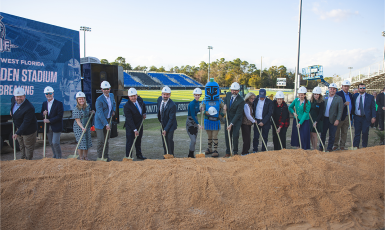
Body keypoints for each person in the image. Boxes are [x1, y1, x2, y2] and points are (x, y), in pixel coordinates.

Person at [10, 87, 38, 160]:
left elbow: (26, 122)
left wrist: (17, 133)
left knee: (28, 147)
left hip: (28, 130)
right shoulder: (13, 99)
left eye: (21, 97)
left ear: (24, 96)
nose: (19, 98)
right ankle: (22, 160)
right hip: (19, 127)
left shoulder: (29, 107)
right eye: (17, 96)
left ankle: (28, 162)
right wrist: (12, 112)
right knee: (21, 146)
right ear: (15, 96)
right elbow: (12, 105)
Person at [201, 78, 224, 158]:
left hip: (215, 121)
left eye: (213, 90)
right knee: (209, 136)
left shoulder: (219, 101)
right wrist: (204, 112)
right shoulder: (205, 101)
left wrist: (221, 114)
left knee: (215, 136)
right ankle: (209, 148)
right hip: (208, 121)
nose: (211, 92)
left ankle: (215, 149)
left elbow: (224, 109)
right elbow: (201, 109)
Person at [95, 81, 116, 162]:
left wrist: (113, 111)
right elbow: (100, 114)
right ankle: (100, 157)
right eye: (104, 89)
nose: (106, 90)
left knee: (106, 139)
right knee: (101, 140)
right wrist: (106, 124)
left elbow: (113, 103)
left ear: (110, 89)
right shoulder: (99, 100)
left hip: (108, 119)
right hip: (100, 122)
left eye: (108, 89)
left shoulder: (111, 95)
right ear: (102, 90)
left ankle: (106, 157)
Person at [124, 88, 147, 160]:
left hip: (139, 124)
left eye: (134, 96)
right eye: (131, 96)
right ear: (129, 97)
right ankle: (128, 156)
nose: (133, 97)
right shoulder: (127, 106)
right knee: (130, 142)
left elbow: (143, 106)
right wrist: (134, 130)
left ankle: (139, 155)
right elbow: (129, 119)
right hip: (131, 127)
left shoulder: (140, 100)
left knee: (138, 140)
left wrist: (144, 113)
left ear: (137, 95)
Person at [319, 83, 343, 152]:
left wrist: (337, 119)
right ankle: (321, 147)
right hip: (324, 119)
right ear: (328, 89)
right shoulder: (324, 97)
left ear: (336, 90)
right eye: (331, 89)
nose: (332, 90)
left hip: (333, 120)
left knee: (332, 135)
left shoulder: (339, 99)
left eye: (334, 89)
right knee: (323, 134)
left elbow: (340, 111)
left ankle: (329, 148)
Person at [41, 86, 64, 159]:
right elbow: (41, 114)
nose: (48, 95)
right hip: (48, 127)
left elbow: (60, 116)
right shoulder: (44, 104)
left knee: (55, 143)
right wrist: (43, 114)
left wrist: (50, 120)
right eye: (47, 94)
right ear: (45, 94)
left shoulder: (59, 103)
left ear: (53, 94)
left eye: (50, 93)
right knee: (51, 143)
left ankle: (59, 157)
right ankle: (55, 155)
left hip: (56, 126)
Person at [223, 82, 245, 157]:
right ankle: (228, 151)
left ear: (238, 91)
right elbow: (225, 99)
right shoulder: (228, 94)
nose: (233, 92)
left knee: (235, 136)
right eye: (232, 90)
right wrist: (225, 104)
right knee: (227, 135)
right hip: (228, 118)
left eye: (235, 90)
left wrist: (231, 124)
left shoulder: (241, 101)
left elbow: (238, 114)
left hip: (236, 121)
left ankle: (235, 152)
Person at [352, 83, 376, 148]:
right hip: (357, 117)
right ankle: (356, 146)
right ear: (358, 89)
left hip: (366, 118)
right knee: (357, 133)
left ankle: (364, 146)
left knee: (365, 133)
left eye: (364, 88)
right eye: (361, 88)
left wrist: (373, 117)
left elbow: (373, 107)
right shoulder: (355, 96)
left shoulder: (370, 97)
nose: (362, 89)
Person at [72, 92, 93, 160]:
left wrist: (91, 112)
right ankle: (81, 157)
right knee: (81, 142)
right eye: (80, 99)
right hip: (79, 127)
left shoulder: (87, 107)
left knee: (86, 141)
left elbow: (88, 112)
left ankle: (85, 156)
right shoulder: (76, 109)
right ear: (77, 100)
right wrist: (82, 127)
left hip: (86, 125)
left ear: (85, 99)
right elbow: (77, 121)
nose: (81, 100)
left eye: (82, 99)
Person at [333, 80, 354, 150]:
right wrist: (344, 104)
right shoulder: (338, 94)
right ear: (342, 86)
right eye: (345, 86)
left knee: (345, 132)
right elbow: (335, 105)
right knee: (337, 131)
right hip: (340, 116)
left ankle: (342, 145)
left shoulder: (350, 95)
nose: (346, 88)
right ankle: (335, 144)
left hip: (348, 116)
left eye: (347, 86)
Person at [157, 86, 177, 156]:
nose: (165, 96)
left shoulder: (172, 105)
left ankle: (171, 155)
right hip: (163, 123)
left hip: (170, 125)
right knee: (164, 140)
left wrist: (165, 129)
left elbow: (171, 119)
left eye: (167, 94)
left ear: (170, 95)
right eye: (164, 94)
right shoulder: (159, 100)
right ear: (161, 94)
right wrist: (161, 122)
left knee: (169, 139)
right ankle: (166, 154)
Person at [186, 88, 203, 158]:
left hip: (195, 121)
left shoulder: (197, 103)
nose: (197, 96)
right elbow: (192, 115)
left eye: (198, 95)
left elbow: (196, 112)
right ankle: (190, 154)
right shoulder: (192, 104)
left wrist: (200, 110)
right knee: (193, 140)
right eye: (196, 95)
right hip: (190, 122)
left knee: (194, 140)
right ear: (194, 95)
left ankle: (191, 154)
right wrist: (199, 124)